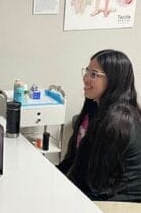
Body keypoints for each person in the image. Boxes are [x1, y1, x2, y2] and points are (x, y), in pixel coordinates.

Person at [57, 49, 141, 202]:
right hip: (96, 191)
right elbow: (76, 161)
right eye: (87, 71)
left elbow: (98, 185)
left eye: (94, 74)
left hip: (117, 202)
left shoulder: (118, 123)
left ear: (114, 80)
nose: (85, 78)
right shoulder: (94, 108)